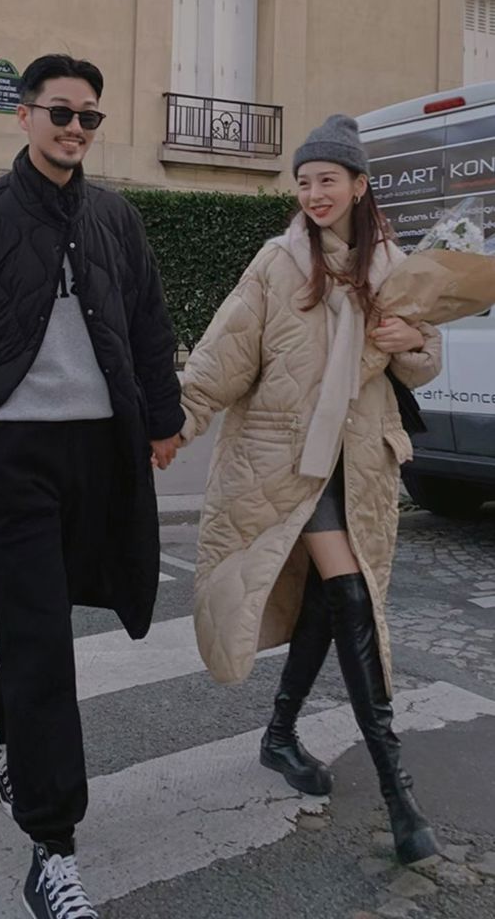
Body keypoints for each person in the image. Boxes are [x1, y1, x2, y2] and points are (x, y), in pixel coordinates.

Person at [0, 53, 184, 918]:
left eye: (89, 116)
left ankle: (2, 729)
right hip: (8, 462)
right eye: (60, 112)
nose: (75, 128)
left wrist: (161, 421)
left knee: (42, 626)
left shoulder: (114, 217)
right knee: (44, 644)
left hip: (96, 459)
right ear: (23, 116)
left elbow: (146, 321)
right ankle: (52, 846)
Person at [178, 114, 443, 865]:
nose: (314, 192)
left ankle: (278, 734)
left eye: (327, 179)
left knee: (332, 604)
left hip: (360, 464)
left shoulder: (395, 267)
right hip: (288, 464)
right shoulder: (277, 263)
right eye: (303, 181)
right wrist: (169, 429)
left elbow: (426, 361)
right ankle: (398, 794)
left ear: (359, 185)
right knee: (351, 597)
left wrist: (412, 342)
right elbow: (222, 358)